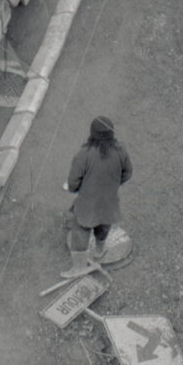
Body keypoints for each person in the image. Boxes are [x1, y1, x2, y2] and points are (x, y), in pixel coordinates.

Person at [62, 116, 132, 272]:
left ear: (92, 134)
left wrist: (77, 189)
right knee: (104, 224)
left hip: (88, 203)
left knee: (80, 229)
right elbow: (128, 172)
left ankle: (79, 267)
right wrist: (114, 183)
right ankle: (100, 252)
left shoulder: (84, 154)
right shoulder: (121, 151)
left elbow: (73, 181)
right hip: (109, 201)